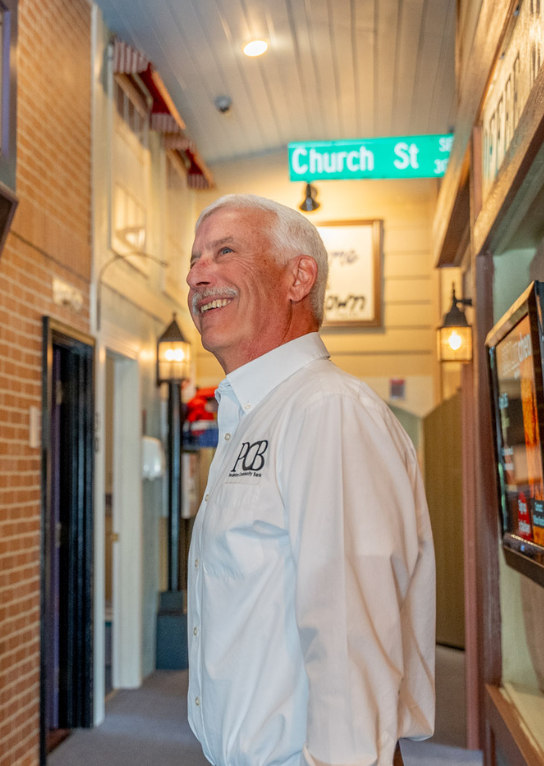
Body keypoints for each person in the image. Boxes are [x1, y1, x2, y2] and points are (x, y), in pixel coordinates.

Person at [184, 194, 435, 766]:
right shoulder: (253, 416)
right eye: (194, 259)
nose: (199, 274)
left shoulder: (328, 412)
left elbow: (352, 637)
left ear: (299, 277)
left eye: (225, 251)